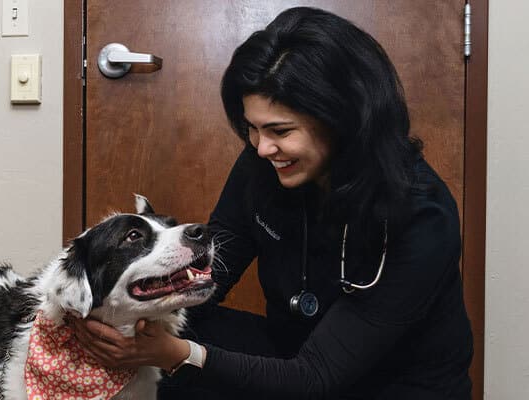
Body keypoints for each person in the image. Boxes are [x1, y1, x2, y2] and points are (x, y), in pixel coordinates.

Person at [67, 6, 473, 399]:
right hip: (293, 351)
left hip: (388, 383)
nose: (262, 148)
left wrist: (178, 354)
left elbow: (318, 376)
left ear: (343, 118)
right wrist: (132, 313)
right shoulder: (264, 161)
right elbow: (214, 269)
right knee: (143, 346)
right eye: (252, 129)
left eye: (280, 130)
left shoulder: (422, 214)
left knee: (176, 357)